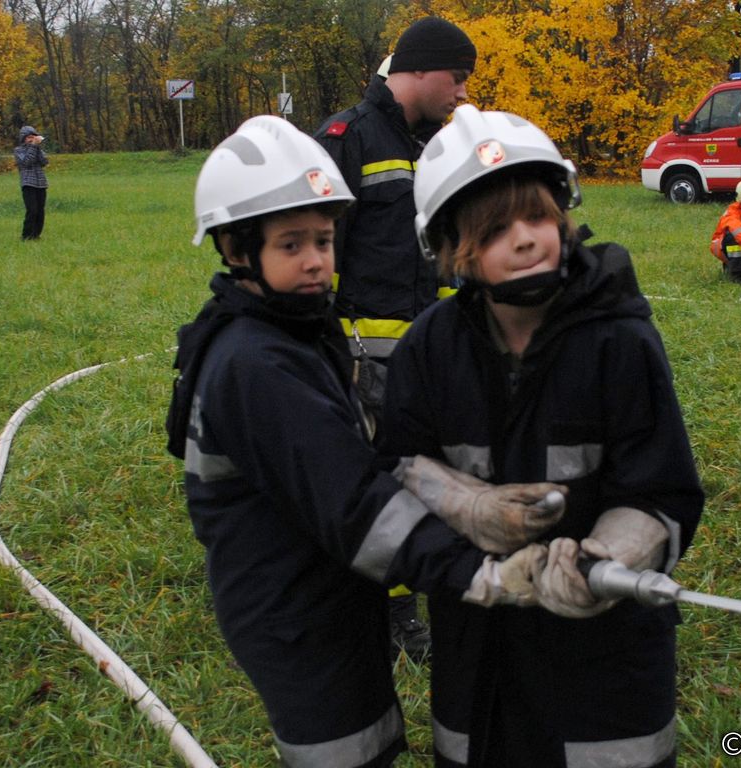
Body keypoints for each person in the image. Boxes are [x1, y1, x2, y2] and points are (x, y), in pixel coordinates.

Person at [166, 114, 568, 767]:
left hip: (328, 594)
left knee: (369, 737)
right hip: (293, 612)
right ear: (236, 250)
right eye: (291, 244)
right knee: (343, 751)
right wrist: (481, 575)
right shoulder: (254, 364)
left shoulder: (286, 331)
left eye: (324, 241)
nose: (316, 262)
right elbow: (354, 505)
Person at [383, 105, 705, 767]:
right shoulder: (427, 351)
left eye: (536, 216)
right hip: (478, 659)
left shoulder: (620, 341)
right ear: (449, 251)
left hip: (606, 667)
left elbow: (662, 492)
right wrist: (466, 504)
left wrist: (603, 562)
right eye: (496, 229)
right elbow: (398, 464)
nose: (526, 239)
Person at [314, 15, 477, 657]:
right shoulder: (345, 139)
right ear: (417, 68)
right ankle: (391, 611)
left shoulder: (439, 145)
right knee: (382, 484)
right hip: (365, 361)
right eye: (456, 78)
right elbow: (317, 255)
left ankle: (428, 584)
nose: (463, 93)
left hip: (436, 354)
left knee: (437, 474)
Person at [14, 125, 49, 240]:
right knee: (32, 210)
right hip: (28, 183)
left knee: (40, 211)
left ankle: (36, 235)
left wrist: (37, 147)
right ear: (23, 138)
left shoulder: (37, 149)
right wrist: (33, 146)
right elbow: (27, 162)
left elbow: (44, 162)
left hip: (41, 184)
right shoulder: (18, 150)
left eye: (33, 137)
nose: (31, 139)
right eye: (29, 137)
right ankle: (26, 235)